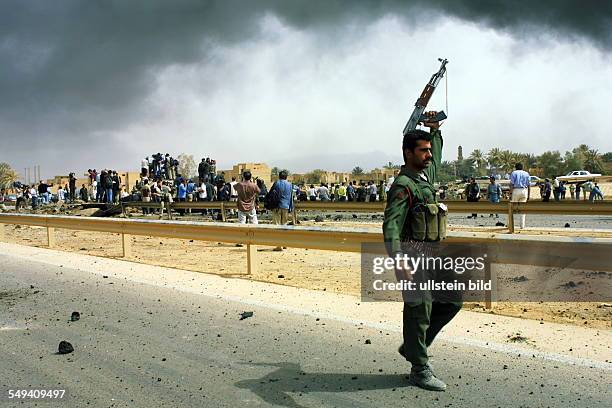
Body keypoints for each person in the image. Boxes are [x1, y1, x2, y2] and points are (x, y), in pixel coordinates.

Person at [383, 111, 460, 391]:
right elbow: (390, 226)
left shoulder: (425, 176)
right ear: (408, 153)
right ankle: (419, 368)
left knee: (452, 300)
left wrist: (434, 130)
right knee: (419, 308)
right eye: (423, 151)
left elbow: (436, 155)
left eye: (429, 150)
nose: (429, 155)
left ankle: (415, 347)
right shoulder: (403, 186)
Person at [272, 170, 293, 250]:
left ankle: (279, 245)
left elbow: (273, 195)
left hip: (277, 207)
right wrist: (290, 207)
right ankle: (285, 243)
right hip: (286, 206)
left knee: (277, 226)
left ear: (279, 176)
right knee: (284, 225)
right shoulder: (290, 185)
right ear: (286, 177)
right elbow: (291, 197)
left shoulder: (277, 183)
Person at [510, 163, 530, 229]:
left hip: (516, 190)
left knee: (512, 208)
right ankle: (522, 226)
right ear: (522, 167)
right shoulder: (526, 173)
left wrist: (510, 193)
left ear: (515, 167)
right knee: (523, 209)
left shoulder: (514, 173)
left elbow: (512, 184)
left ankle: (510, 224)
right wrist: (529, 194)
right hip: (524, 191)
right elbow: (529, 185)